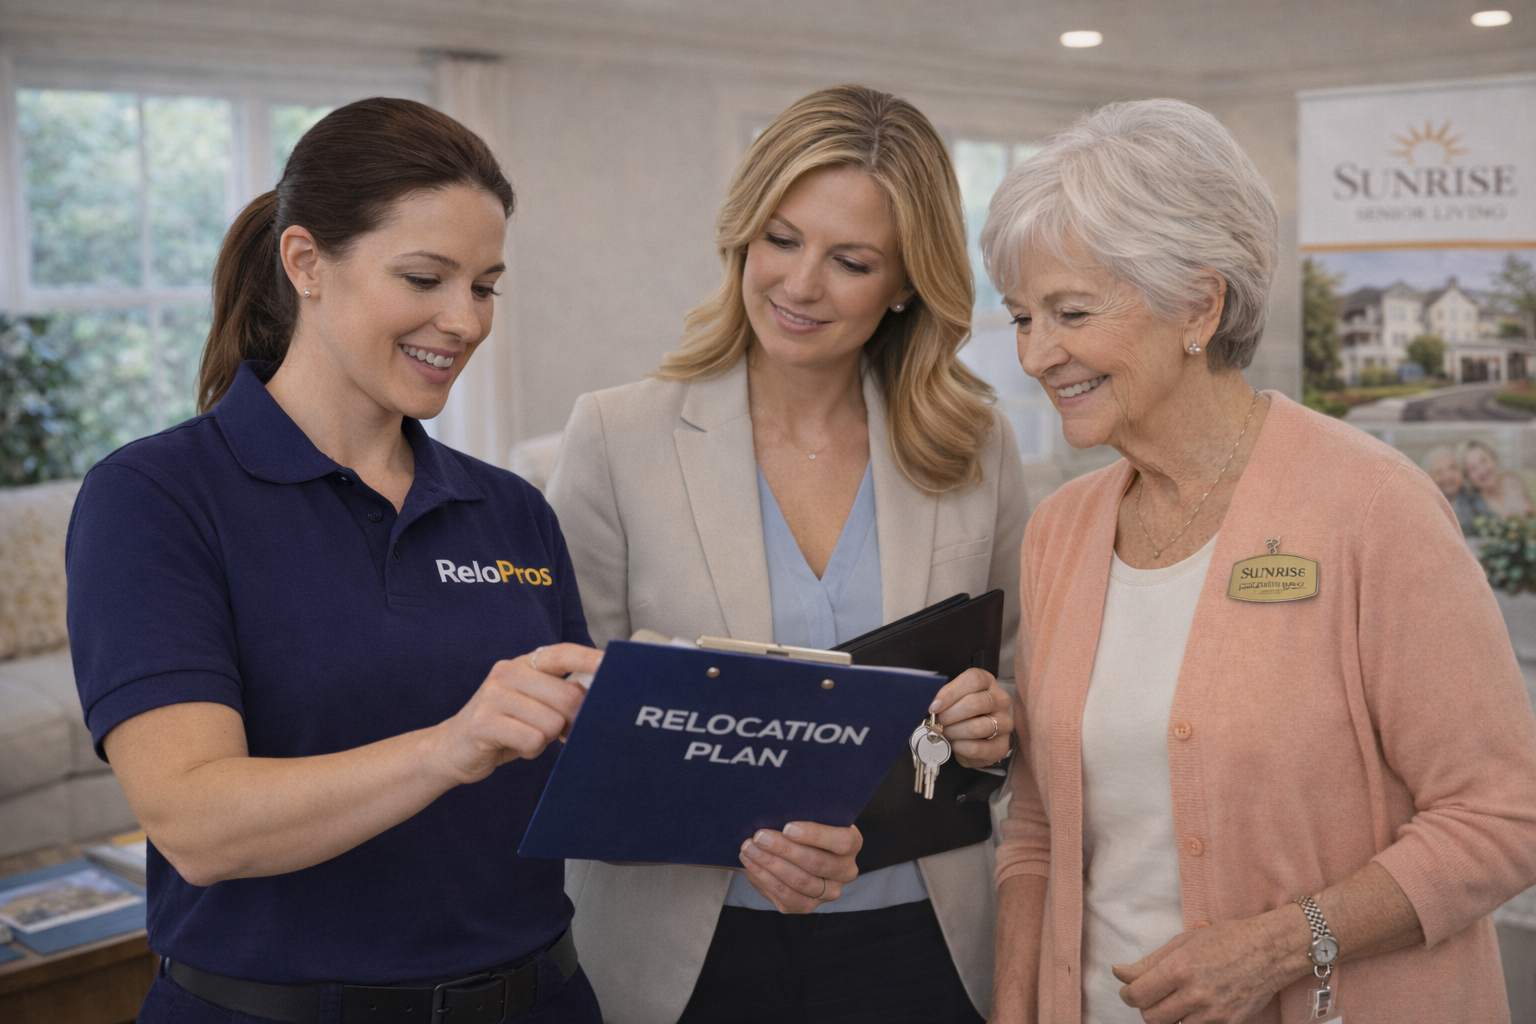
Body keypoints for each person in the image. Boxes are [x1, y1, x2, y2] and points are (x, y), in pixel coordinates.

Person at [63, 98, 822, 1024]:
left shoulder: (510, 511)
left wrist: (763, 821)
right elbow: (195, 824)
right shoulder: (158, 496)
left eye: (486, 286)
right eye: (425, 277)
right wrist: (449, 748)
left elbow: (588, 795)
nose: (463, 321)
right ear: (305, 262)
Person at [981, 98, 1536, 1023]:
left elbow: (1504, 815)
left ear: (1200, 302)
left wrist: (1286, 944)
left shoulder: (1372, 508)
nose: (1038, 355)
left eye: (1070, 312)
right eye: (1022, 317)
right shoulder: (1062, 530)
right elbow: (1038, 830)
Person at [546, 84, 1027, 1023]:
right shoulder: (617, 435)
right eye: (780, 238)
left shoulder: (975, 446)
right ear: (741, 238)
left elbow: (1020, 693)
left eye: (851, 261)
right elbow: (572, 713)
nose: (800, 285)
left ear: (904, 285)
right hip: (683, 954)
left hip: (925, 943)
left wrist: (995, 724)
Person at [1423, 444, 1492, 536]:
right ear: (1428, 478)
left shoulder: (1475, 500)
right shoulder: (1424, 509)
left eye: (1452, 468)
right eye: (1439, 472)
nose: (1448, 476)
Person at [1464, 438, 1536, 519]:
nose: (1482, 470)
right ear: (1468, 478)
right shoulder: (1476, 506)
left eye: (1484, 461)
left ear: (1494, 459)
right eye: (1473, 468)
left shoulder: (1522, 479)